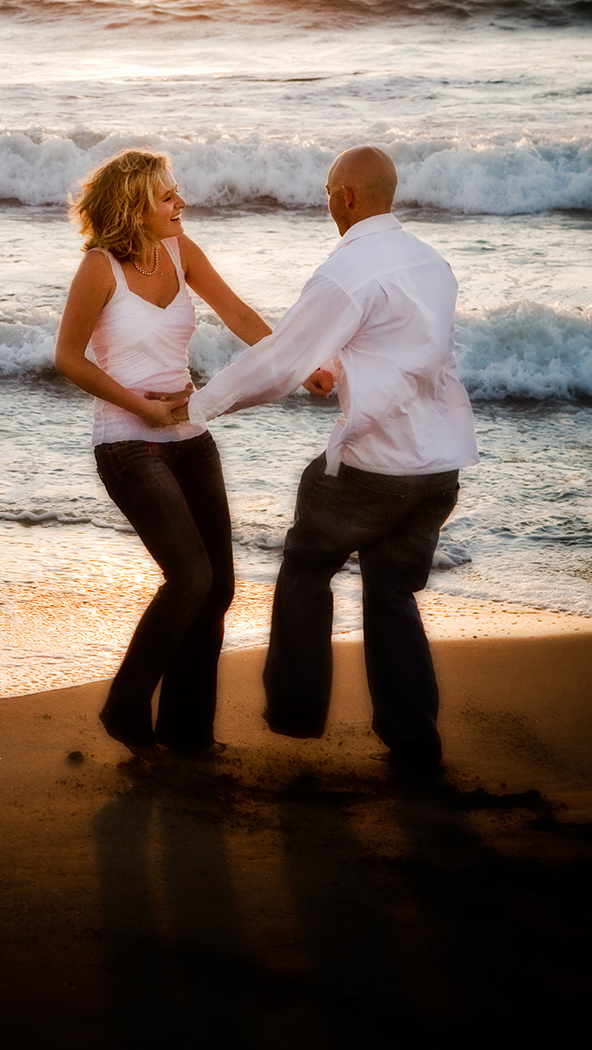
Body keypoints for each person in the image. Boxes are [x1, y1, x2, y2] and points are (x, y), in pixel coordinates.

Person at [165, 145, 477, 775]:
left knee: (308, 562)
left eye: (328, 189)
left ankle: (298, 710)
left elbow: (276, 362)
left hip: (377, 466)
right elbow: (404, 353)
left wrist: (197, 408)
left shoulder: (348, 273)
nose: (325, 199)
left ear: (347, 197)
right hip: (439, 466)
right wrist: (336, 368)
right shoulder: (431, 263)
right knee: (393, 592)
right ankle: (413, 742)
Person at [54, 149, 277, 756]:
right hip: (128, 444)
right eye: (168, 197)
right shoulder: (99, 268)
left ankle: (187, 733)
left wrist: (299, 359)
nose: (182, 204)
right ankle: (127, 706)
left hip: (190, 438)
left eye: (177, 194)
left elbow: (236, 313)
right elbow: (68, 359)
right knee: (191, 578)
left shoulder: (182, 251)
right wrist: (143, 406)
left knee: (220, 587)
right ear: (135, 207)